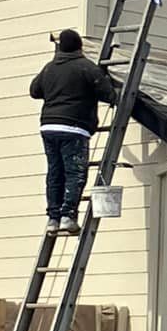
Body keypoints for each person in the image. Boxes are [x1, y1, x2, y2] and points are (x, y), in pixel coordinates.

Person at [29, 29, 117, 235]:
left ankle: (53, 218)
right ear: (79, 46)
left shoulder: (49, 68)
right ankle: (68, 215)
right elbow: (109, 95)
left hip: (48, 126)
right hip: (74, 128)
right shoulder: (86, 67)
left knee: (55, 172)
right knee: (74, 173)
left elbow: (34, 91)